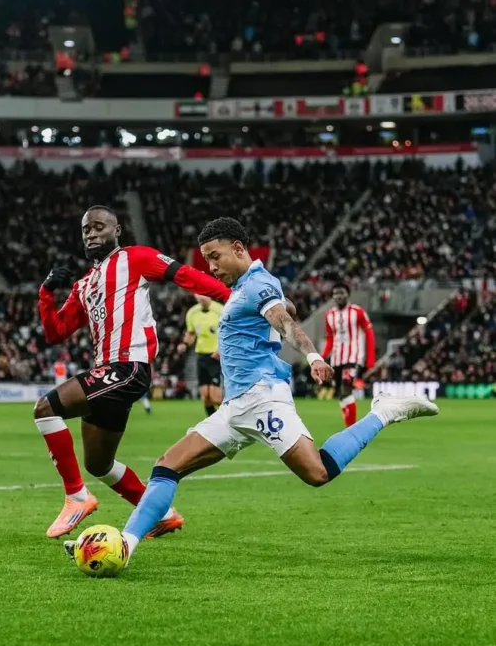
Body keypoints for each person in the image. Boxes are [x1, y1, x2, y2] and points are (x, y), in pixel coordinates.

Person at [91, 217, 437, 570]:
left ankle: (385, 411)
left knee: (317, 473)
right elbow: (282, 309)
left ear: (239, 249)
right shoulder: (247, 287)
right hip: (234, 407)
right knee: (166, 466)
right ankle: (125, 546)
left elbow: (284, 322)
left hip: (262, 399)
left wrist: (313, 355)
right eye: (206, 259)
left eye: (215, 256)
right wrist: (287, 306)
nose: (210, 266)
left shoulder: (257, 284)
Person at [35, 205, 231, 539]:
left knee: (45, 409)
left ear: (117, 231)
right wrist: (46, 294)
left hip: (128, 367)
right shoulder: (85, 284)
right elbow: (55, 332)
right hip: (107, 375)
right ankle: (162, 514)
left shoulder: (136, 258)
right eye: (86, 229)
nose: (92, 234)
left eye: (99, 227)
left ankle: (76, 497)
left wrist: (235, 298)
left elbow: (186, 275)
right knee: (98, 464)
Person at [322, 282, 376, 426]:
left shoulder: (358, 312)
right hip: (336, 359)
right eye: (336, 293)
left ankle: (351, 429)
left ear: (348, 294)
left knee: (346, 390)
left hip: (353, 357)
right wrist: (322, 357)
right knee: (340, 394)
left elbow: (369, 333)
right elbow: (330, 338)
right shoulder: (329, 315)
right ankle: (349, 426)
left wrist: (370, 360)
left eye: (342, 293)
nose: (339, 296)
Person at [181, 295, 224, 417]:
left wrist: (220, 349)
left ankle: (230, 417)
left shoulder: (220, 310)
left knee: (216, 398)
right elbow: (191, 333)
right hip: (201, 355)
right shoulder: (192, 312)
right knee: (206, 397)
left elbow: (229, 332)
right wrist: (184, 344)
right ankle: (214, 423)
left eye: (203, 294)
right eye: (198, 295)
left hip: (216, 356)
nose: (201, 297)